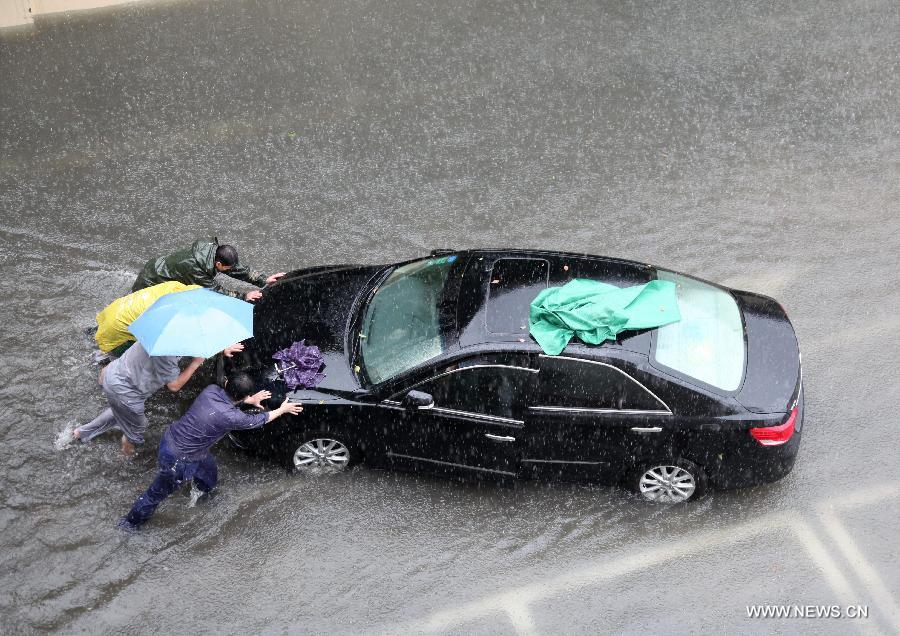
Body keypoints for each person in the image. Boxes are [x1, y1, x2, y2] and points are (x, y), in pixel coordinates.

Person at [119, 371, 304, 530]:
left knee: (209, 474)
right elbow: (261, 419)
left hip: (173, 440)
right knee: (154, 495)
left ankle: (200, 494)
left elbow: (230, 402)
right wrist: (283, 409)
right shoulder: (233, 417)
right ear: (242, 396)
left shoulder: (211, 391)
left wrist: (249, 400)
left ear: (225, 383)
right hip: (179, 460)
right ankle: (128, 525)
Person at [71, 341, 244, 455]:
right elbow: (174, 386)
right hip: (126, 394)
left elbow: (193, 343)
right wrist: (196, 363)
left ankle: (81, 432)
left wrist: (220, 349)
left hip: (112, 375)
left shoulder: (158, 336)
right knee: (137, 429)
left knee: (120, 413)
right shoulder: (167, 358)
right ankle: (125, 458)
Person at [131, 237, 286, 301]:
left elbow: (236, 269)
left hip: (159, 268)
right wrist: (244, 296)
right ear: (218, 264)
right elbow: (214, 290)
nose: (230, 270)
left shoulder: (213, 254)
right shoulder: (195, 268)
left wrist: (263, 279)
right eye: (226, 268)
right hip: (151, 282)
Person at [94, 281, 199, 358]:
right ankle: (104, 359)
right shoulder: (168, 314)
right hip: (116, 332)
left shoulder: (175, 286)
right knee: (140, 357)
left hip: (114, 311)